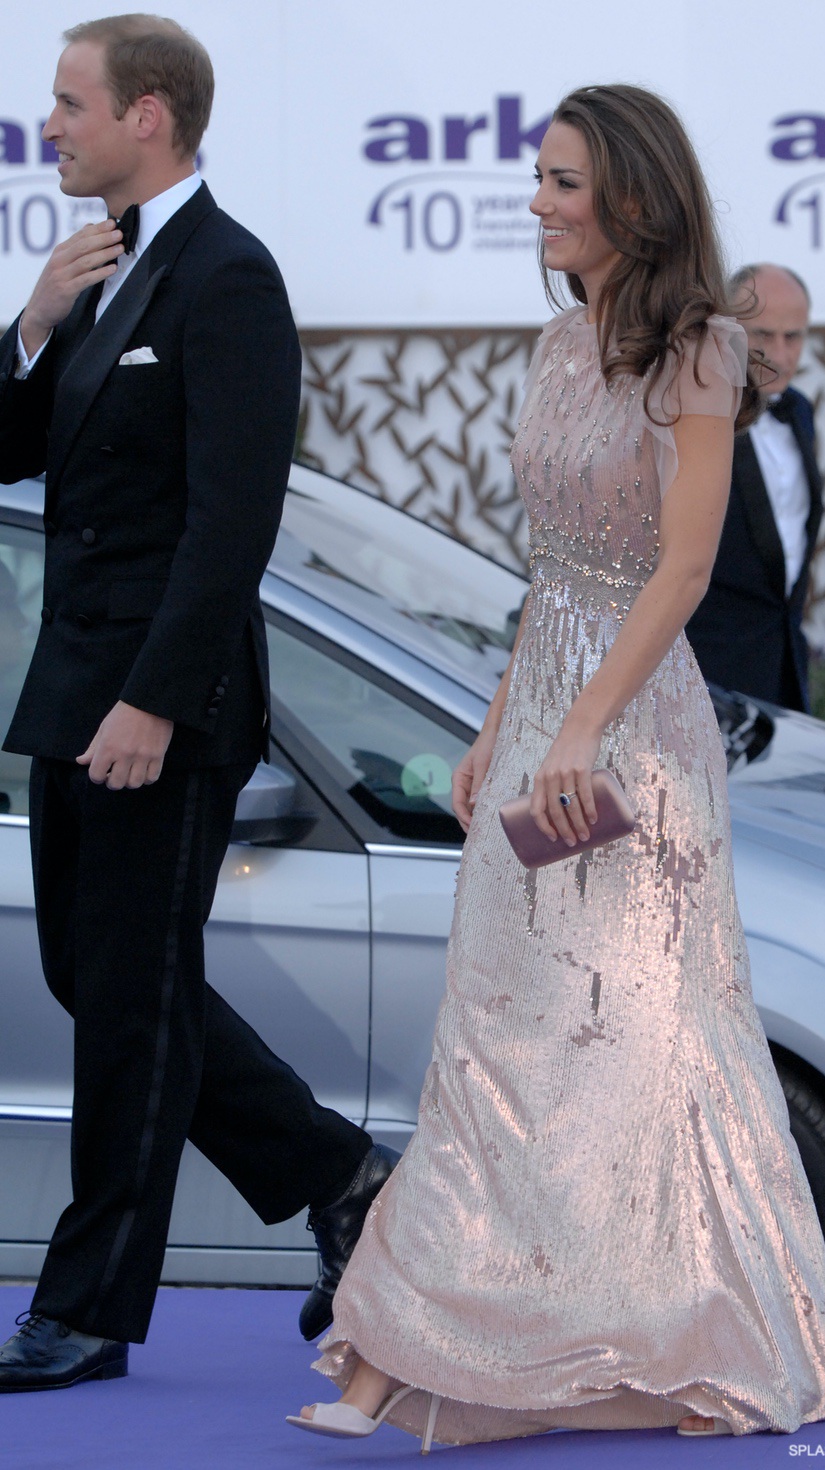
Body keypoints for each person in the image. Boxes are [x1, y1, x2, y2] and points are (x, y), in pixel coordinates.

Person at [290, 86, 825, 1448]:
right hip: (550, 715)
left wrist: (577, 727)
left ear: (632, 195)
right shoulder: (558, 343)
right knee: (495, 1035)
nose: (541, 203)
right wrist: (506, 721)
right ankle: (406, 1345)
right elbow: (551, 574)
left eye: (564, 182)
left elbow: (677, 567)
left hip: (637, 747)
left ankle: (671, 1339)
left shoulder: (702, 350)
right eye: (541, 179)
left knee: (636, 1045)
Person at [0, 15, 395, 1393]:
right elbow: (7, 448)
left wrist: (155, 703)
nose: (46, 124)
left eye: (67, 102)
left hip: (157, 712)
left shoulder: (228, 278)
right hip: (72, 694)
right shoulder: (102, 271)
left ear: (149, 115)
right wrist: (35, 319)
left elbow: (233, 524)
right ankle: (347, 1178)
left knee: (127, 1003)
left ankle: (90, 1304)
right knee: (111, 981)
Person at [685, 263, 823, 710]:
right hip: (706, 683)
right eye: (763, 335)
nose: (780, 355)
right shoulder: (697, 418)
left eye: (793, 337)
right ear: (726, 331)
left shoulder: (799, 411)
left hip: (783, 673)